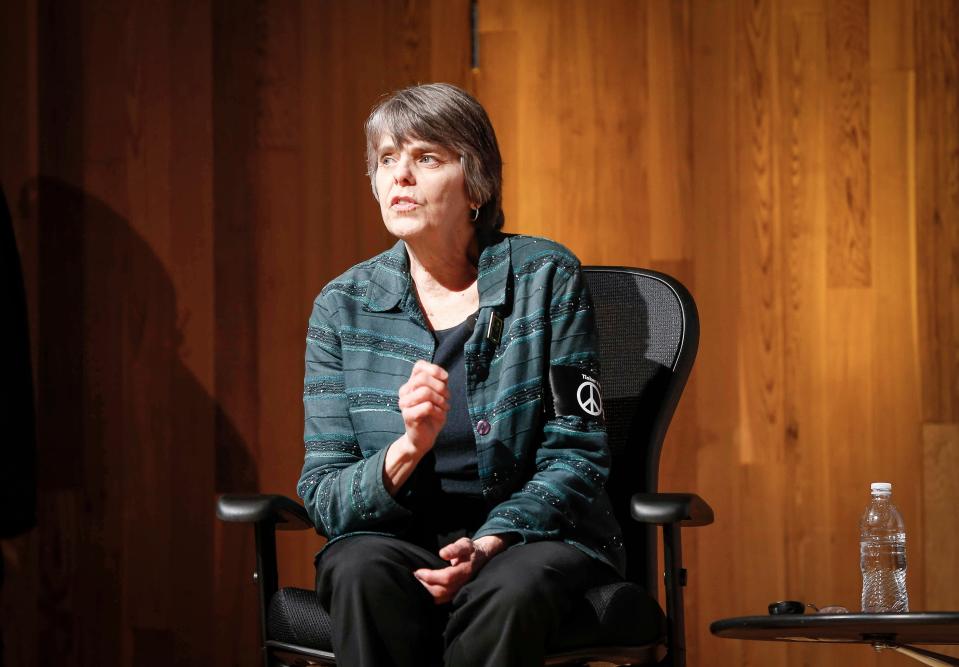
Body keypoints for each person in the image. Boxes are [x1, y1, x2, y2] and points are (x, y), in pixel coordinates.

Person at [297, 83, 624, 667]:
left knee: (507, 588)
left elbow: (577, 450)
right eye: (385, 160)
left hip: (533, 538)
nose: (400, 176)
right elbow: (324, 495)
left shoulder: (545, 277)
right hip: (398, 538)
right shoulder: (341, 306)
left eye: (425, 158)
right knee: (357, 568)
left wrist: (493, 539)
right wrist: (407, 448)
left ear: (475, 184)